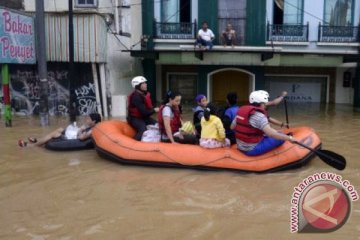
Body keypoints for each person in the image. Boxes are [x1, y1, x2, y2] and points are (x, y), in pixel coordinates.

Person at [231, 90, 296, 156]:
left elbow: (232, 127)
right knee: (280, 136)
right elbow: (271, 134)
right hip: (252, 149)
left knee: (274, 132)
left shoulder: (241, 111)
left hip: (240, 146)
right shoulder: (259, 116)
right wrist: (289, 138)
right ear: (262, 103)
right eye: (265, 103)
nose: (266, 105)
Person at [18, 113, 102, 147]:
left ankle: (32, 145)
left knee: (54, 134)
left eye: (88, 119)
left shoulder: (93, 130)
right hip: (74, 134)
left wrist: (80, 131)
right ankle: (38, 140)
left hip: (74, 138)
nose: (87, 120)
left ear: (94, 121)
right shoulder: (89, 126)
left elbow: (81, 138)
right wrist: (80, 128)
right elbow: (81, 130)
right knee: (60, 129)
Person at [127, 76, 159, 141]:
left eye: (145, 83)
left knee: (158, 125)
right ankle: (132, 144)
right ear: (137, 86)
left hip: (143, 117)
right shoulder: (136, 97)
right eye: (143, 83)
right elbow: (145, 112)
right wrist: (155, 110)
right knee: (143, 130)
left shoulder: (143, 95)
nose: (146, 84)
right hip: (135, 119)